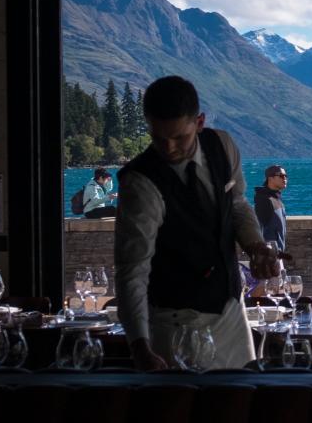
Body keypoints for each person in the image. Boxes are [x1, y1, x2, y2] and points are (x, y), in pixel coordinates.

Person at [113, 76, 278, 371]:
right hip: (176, 324)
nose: (169, 147)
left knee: (242, 406)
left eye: (179, 137)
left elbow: (237, 204)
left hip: (231, 310)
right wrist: (140, 345)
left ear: (199, 122)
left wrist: (255, 245)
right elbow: (132, 270)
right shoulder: (140, 182)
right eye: (158, 137)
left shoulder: (223, 146)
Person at [254, 164, 288, 251]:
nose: (284, 179)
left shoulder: (276, 199)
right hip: (268, 257)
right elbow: (258, 230)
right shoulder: (265, 200)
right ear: (270, 178)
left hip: (276, 255)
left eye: (285, 176)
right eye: (281, 176)